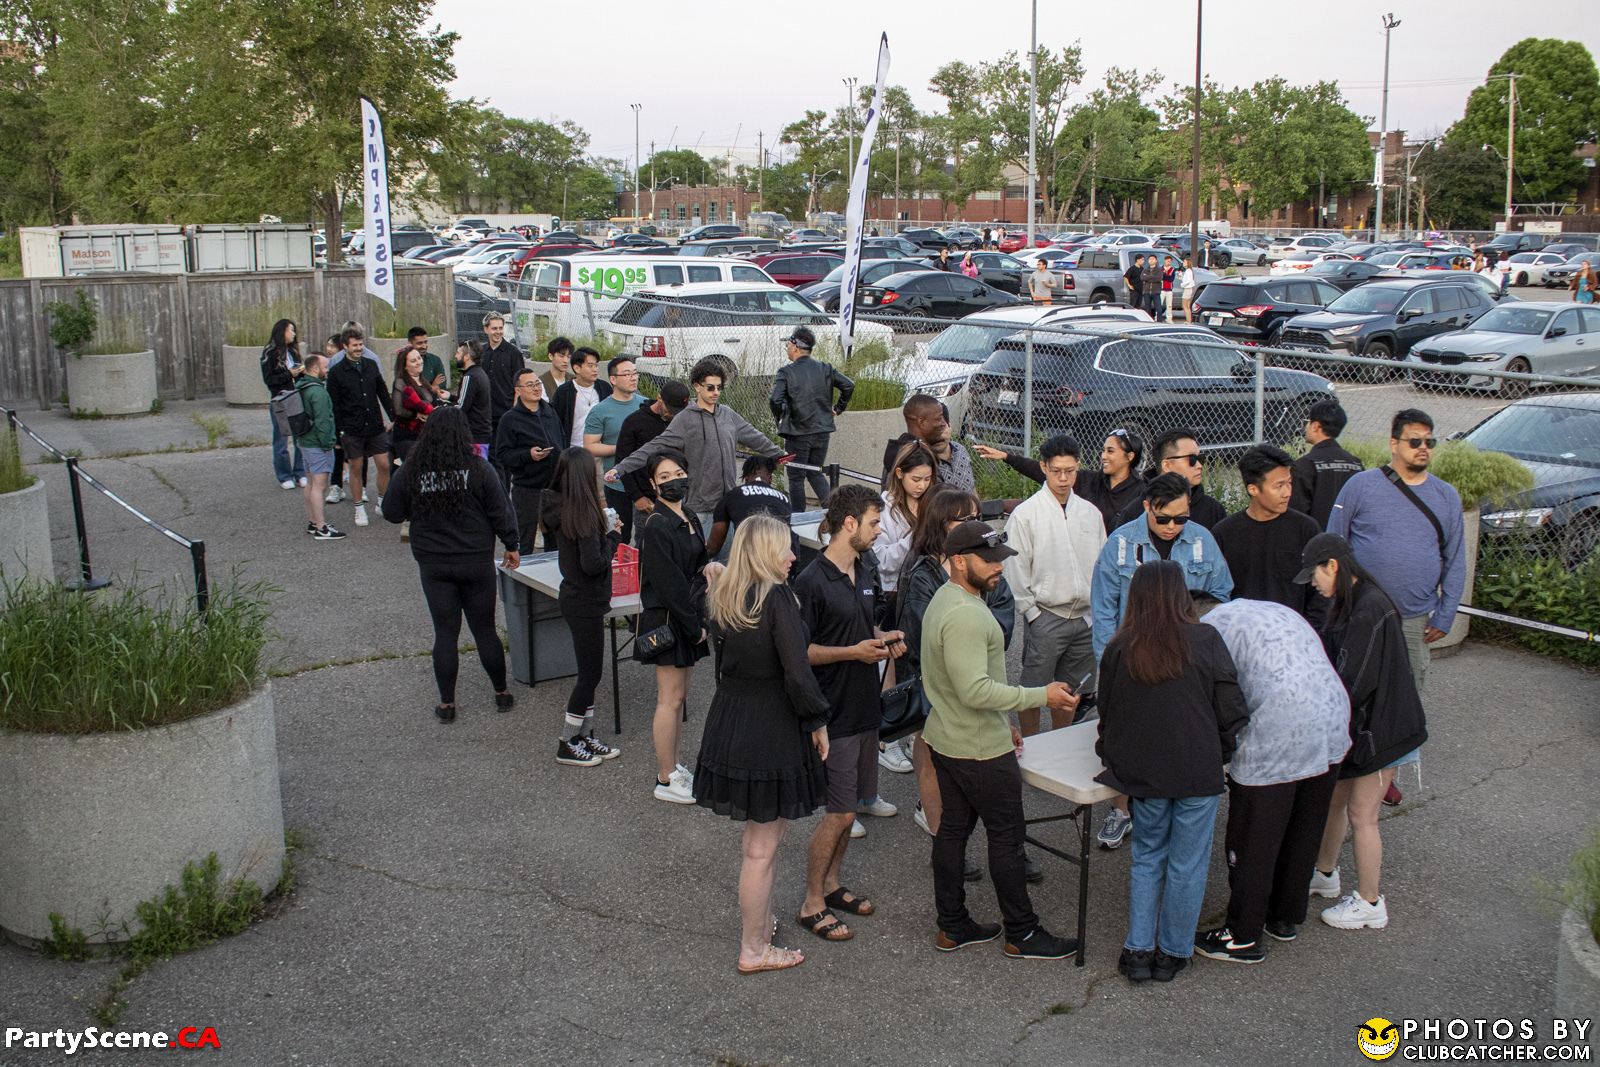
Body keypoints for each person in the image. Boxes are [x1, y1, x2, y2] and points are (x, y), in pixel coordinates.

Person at [922, 520, 1081, 959]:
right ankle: (1023, 933)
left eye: (1000, 559)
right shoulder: (968, 615)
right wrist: (1041, 695)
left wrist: (1004, 717)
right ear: (958, 561)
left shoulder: (946, 598)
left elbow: (969, 686)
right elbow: (975, 689)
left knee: (952, 831)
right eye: (987, 560)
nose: (997, 568)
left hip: (949, 737)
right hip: (978, 750)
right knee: (1007, 837)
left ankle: (952, 926)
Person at [1096, 561, 1249, 984]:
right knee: (1188, 864)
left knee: (1147, 858)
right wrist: (1217, 749)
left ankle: (1138, 948)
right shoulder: (1206, 639)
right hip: (1197, 770)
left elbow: (1107, 713)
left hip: (1145, 774)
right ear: (1182, 595)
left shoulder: (1121, 646)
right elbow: (1232, 710)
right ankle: (1174, 952)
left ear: (1137, 598)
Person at [693, 514, 830, 975]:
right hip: (770, 727)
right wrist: (817, 721)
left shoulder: (726, 594)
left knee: (758, 842)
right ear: (765, 552)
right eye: (786, 548)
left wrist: (715, 571)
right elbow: (797, 671)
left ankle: (762, 922)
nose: (794, 555)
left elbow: (711, 581)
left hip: (731, 720)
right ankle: (754, 948)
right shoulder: (777, 599)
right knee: (763, 847)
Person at [1191, 599, 1349, 964]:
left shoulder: (1208, 630)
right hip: (1332, 717)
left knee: (1255, 837)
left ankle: (1242, 935)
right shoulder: (1273, 610)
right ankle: (1284, 917)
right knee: (1303, 826)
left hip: (1279, 728)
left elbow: (1213, 696)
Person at [1326, 409, 1460, 807]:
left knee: (1406, 695)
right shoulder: (1360, 486)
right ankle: (1346, 761)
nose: (1423, 449)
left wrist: (1446, 612)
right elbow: (1335, 542)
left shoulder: (1446, 496)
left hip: (1415, 617)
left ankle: (1387, 774)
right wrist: (1337, 600)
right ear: (1394, 443)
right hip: (1361, 615)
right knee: (1352, 687)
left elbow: (1455, 559)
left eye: (1429, 442)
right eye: (1415, 441)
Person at [1090, 473, 1232, 849]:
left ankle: (1168, 813)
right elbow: (1103, 610)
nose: (1172, 527)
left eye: (1181, 518)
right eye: (1163, 518)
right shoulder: (1120, 544)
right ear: (1146, 508)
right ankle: (1120, 811)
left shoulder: (1203, 541)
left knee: (1179, 739)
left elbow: (1222, 599)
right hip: (1133, 663)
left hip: (1187, 665)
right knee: (1123, 739)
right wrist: (1110, 666)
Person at [1297, 534, 1428, 932]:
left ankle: (1371, 902)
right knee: (1335, 800)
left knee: (1363, 815)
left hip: (1383, 733)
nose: (1315, 585)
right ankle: (1324, 873)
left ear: (1333, 566)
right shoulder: (1357, 599)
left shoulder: (1369, 609)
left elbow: (1353, 679)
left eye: (1316, 575)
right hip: (1365, 729)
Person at [792, 485, 906, 943]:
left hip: (865, 707)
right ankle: (811, 903)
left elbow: (859, 630)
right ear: (848, 524)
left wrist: (882, 636)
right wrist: (853, 652)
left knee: (852, 806)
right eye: (875, 523)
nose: (880, 532)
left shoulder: (864, 569)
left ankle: (833, 885)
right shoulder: (810, 580)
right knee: (838, 814)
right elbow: (801, 652)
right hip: (833, 711)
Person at [897, 487, 1019, 882]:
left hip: (975, 684)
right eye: (960, 519)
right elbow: (920, 636)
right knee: (936, 765)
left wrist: (975, 634)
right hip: (938, 688)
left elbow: (1002, 618)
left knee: (964, 800)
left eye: (974, 516)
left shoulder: (986, 565)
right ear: (940, 526)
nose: (972, 524)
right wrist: (968, 634)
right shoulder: (923, 572)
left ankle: (959, 897)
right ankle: (940, 836)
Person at [379, 405, 518, 723]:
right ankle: (501, 692)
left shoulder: (412, 470)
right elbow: (500, 510)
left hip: (434, 562)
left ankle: (447, 704)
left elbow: (391, 512)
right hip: (475, 559)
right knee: (484, 629)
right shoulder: (479, 468)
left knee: (445, 633)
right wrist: (512, 545)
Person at [608, 356, 784, 538]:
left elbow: (754, 436)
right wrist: (620, 469)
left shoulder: (728, 414)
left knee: (727, 561)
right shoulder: (685, 419)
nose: (715, 392)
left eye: (719, 387)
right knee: (702, 560)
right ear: (697, 386)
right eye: (710, 387)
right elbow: (654, 447)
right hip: (700, 508)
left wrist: (779, 454)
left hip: (729, 504)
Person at [1003, 435, 1106, 737]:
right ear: (1043, 467)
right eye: (1057, 470)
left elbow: (1101, 562)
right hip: (1046, 614)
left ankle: (1059, 746)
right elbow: (1015, 567)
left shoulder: (1090, 512)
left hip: (1084, 616)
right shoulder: (1027, 514)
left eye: (1070, 471)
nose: (1063, 478)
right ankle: (1032, 747)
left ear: (1078, 468)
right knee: (1033, 690)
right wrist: (1032, 613)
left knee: (1071, 692)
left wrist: (1095, 611)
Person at [636, 450, 715, 805]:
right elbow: (667, 584)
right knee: (669, 700)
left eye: (678, 472)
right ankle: (665, 777)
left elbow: (700, 564)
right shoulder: (655, 525)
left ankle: (675, 766)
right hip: (670, 620)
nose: (673, 481)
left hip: (690, 616)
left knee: (680, 699)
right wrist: (694, 625)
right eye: (664, 477)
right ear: (653, 485)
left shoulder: (691, 516)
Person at [540, 447, 623, 768]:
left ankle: (584, 735)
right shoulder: (585, 516)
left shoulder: (561, 509)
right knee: (589, 676)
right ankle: (567, 739)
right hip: (586, 600)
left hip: (575, 597)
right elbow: (593, 564)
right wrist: (613, 538)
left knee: (590, 673)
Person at [1212, 446, 1322, 619]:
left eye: (1289, 483)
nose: (1287, 492)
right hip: (1242, 634)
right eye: (1279, 486)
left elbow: (1320, 593)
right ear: (1253, 489)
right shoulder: (1224, 533)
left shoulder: (1306, 529)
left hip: (1293, 634)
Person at [975, 427, 1146, 533]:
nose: (1103, 456)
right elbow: (1042, 471)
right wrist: (1007, 456)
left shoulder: (1142, 491)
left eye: (1110, 451)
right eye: (1103, 450)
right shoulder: (1090, 480)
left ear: (1129, 456)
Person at [768, 326, 854, 513]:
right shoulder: (825, 368)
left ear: (795, 346)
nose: (787, 349)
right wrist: (837, 409)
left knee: (796, 477)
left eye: (788, 345)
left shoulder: (786, 372)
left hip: (797, 434)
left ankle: (797, 521)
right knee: (814, 472)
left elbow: (775, 399)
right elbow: (848, 385)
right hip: (822, 431)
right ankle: (834, 512)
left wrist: (782, 414)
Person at [326, 324, 393, 529]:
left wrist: (394, 417)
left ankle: (382, 501)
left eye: (361, 344)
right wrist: (339, 432)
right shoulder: (336, 372)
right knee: (356, 466)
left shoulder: (371, 365)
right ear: (345, 346)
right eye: (355, 345)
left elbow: (382, 393)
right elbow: (334, 405)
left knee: (384, 464)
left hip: (374, 425)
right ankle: (358, 508)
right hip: (351, 428)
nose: (359, 348)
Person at [494, 368, 563, 553]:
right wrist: (528, 455)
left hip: (554, 487)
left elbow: (560, 440)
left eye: (538, 384)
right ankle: (520, 580)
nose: (536, 388)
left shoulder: (550, 411)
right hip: (527, 489)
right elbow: (502, 455)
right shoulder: (509, 419)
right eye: (530, 385)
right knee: (524, 542)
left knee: (556, 542)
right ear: (518, 390)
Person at [581, 356, 646, 543]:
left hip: (645, 484)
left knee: (647, 537)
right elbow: (590, 446)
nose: (633, 378)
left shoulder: (645, 405)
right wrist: (621, 449)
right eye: (627, 374)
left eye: (635, 373)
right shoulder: (600, 410)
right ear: (613, 379)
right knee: (619, 537)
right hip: (617, 485)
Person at [615, 381, 692, 535]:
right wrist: (637, 497)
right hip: (648, 501)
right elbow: (622, 461)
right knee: (648, 543)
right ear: (659, 398)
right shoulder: (634, 422)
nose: (673, 415)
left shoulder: (683, 420)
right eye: (670, 410)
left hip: (679, 497)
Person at [1113, 429, 1226, 530]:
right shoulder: (1134, 512)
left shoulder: (1213, 510)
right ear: (1166, 465)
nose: (1199, 465)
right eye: (1191, 459)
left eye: (1200, 458)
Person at [291, 353, 343, 540]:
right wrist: (329, 443)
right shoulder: (318, 392)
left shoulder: (301, 386)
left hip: (304, 441)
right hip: (317, 444)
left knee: (311, 483)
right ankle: (322, 527)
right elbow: (323, 422)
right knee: (319, 486)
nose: (327, 370)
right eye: (325, 366)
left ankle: (313, 522)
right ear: (315, 368)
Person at [879, 394, 975, 493]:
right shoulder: (915, 457)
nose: (943, 423)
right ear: (922, 422)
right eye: (939, 418)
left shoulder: (904, 449)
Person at [1290, 399, 1363, 529]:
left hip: (1314, 542)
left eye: (1307, 422)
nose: (1305, 427)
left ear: (1316, 426)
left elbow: (1296, 514)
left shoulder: (1305, 465)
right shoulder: (1356, 464)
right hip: (1347, 540)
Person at [707, 456, 793, 559]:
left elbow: (714, 546)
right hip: (783, 557)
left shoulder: (732, 495)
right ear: (770, 478)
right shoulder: (784, 498)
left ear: (745, 478)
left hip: (749, 560)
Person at [260, 318, 306, 489]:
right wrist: (290, 374)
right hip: (279, 399)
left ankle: (300, 472)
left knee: (300, 436)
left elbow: (299, 373)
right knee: (281, 439)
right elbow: (269, 380)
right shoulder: (270, 352)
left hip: (296, 397)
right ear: (282, 332)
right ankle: (284, 475)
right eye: (291, 330)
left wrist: (301, 371)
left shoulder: (292, 352)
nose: (293, 334)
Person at [554, 346, 613, 448]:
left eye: (596, 365)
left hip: (599, 449)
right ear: (577, 368)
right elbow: (556, 423)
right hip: (573, 450)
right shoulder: (563, 392)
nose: (595, 369)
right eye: (590, 366)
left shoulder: (605, 388)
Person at [480, 313, 525, 436]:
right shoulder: (480, 352)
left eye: (500, 328)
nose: (498, 332)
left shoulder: (514, 353)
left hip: (505, 411)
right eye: (494, 328)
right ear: (486, 329)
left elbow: (520, 382)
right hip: (483, 412)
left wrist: (516, 408)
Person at [320, 335, 350, 504]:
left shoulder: (342, 365)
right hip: (335, 414)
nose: (329, 349)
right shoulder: (331, 365)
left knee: (353, 453)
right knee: (338, 449)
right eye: (328, 345)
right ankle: (336, 485)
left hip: (350, 415)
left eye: (332, 346)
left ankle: (359, 486)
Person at [454, 340, 493, 458]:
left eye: (458, 353)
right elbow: (472, 400)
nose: (455, 356)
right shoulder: (480, 373)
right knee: (480, 471)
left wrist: (438, 411)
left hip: (473, 436)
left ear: (467, 357)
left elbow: (460, 408)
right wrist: (450, 397)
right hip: (482, 434)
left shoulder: (469, 376)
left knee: (474, 472)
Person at [408, 327, 449, 395]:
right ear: (410, 343)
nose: (424, 346)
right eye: (419, 343)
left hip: (434, 402)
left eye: (425, 342)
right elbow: (411, 390)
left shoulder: (435, 360)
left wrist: (427, 388)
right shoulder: (404, 362)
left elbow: (442, 386)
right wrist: (432, 386)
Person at [1139, 253, 1163, 320]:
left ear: (1156, 260)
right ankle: (1148, 322)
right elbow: (1142, 278)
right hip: (1146, 292)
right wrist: (1151, 277)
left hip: (1156, 292)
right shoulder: (1145, 270)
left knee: (1159, 309)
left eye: (1153, 259)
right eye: (1150, 259)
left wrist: (1148, 278)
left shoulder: (1159, 270)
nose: (1151, 260)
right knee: (1147, 309)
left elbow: (1158, 279)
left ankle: (1159, 322)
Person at [1180, 257, 1198, 324]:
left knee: (1185, 306)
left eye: (1184, 262)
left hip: (1187, 289)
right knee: (1187, 306)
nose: (1183, 263)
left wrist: (1182, 285)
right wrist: (1181, 277)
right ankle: (1189, 320)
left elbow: (1188, 281)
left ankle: (1188, 321)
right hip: (1188, 289)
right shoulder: (1188, 271)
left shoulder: (1189, 271)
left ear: (1188, 263)